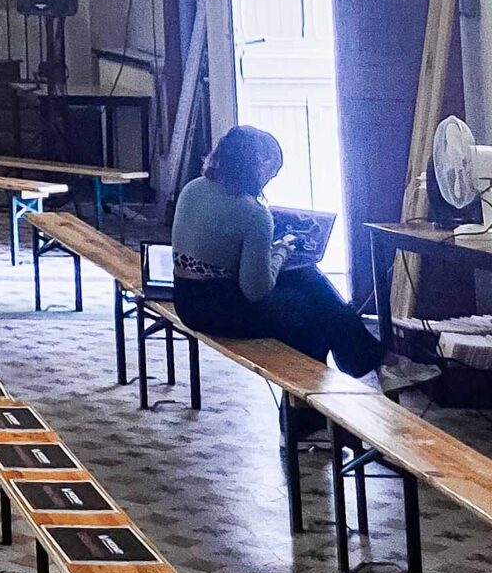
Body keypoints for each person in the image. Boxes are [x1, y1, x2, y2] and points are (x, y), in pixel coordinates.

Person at [170, 125, 435, 393]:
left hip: (186, 300)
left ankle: (374, 362)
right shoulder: (254, 214)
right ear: (256, 167)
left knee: (307, 276)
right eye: (270, 173)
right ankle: (344, 380)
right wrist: (281, 250)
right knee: (313, 315)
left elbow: (219, 252)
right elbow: (255, 290)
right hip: (218, 311)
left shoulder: (193, 188)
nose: (269, 180)